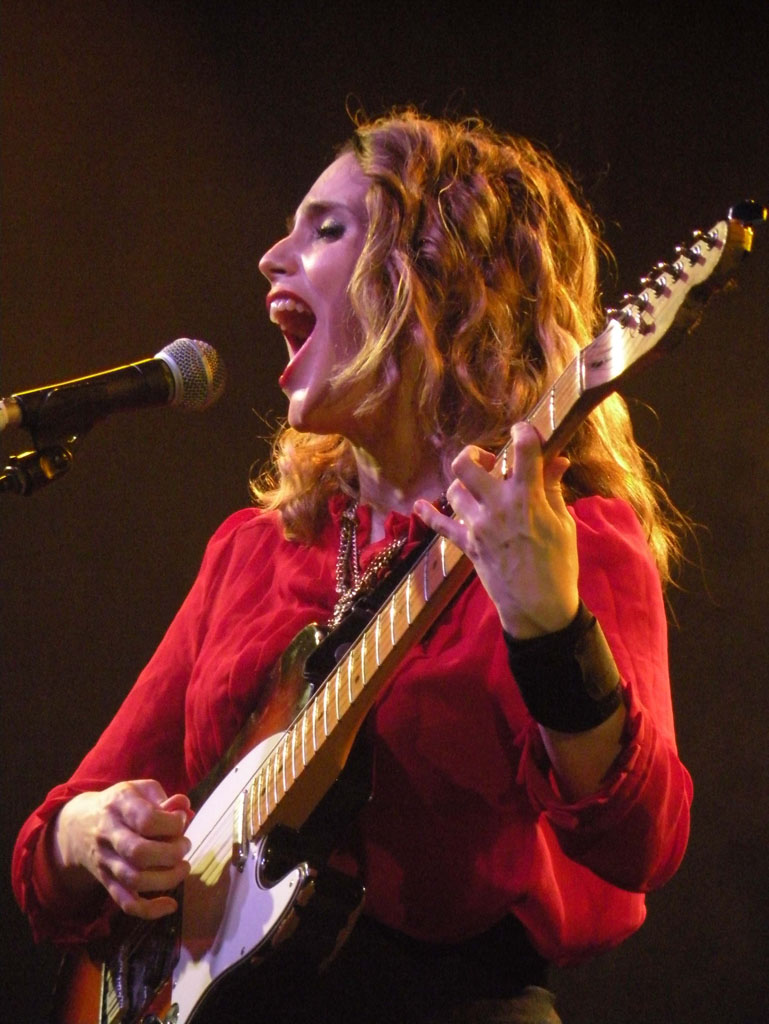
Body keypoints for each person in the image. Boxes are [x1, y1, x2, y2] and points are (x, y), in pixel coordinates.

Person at [12, 109, 692, 1023]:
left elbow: (642, 842)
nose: (270, 258)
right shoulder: (255, 550)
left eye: (327, 229)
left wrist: (552, 628)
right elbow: (50, 847)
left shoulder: (566, 539)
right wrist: (99, 834)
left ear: (441, 280)